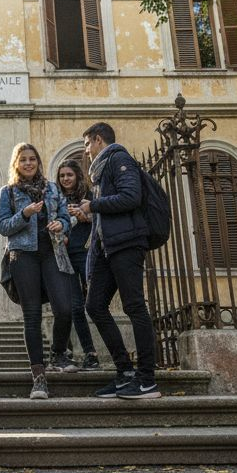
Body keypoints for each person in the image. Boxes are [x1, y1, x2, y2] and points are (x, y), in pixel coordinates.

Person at [78, 122, 161, 400]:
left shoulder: (118, 158)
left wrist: (94, 205)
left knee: (135, 306)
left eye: (87, 144)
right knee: (94, 305)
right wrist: (90, 213)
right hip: (108, 246)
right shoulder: (101, 170)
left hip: (127, 243)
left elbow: (130, 197)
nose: (86, 151)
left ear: (98, 140)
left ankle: (147, 380)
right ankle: (125, 372)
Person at [0, 143, 73, 400]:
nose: (28, 163)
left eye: (32, 159)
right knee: (32, 316)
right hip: (22, 255)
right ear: (16, 164)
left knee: (64, 308)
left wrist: (61, 224)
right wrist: (25, 214)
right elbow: (3, 226)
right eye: (23, 159)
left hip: (52, 252)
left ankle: (58, 353)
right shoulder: (8, 192)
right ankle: (39, 378)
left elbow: (66, 217)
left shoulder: (52, 188)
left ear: (38, 162)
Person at [57, 159, 101, 372]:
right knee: (74, 307)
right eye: (62, 176)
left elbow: (101, 221)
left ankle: (112, 352)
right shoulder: (56, 199)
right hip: (65, 257)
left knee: (95, 304)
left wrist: (84, 217)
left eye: (69, 175)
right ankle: (90, 354)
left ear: (77, 176)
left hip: (87, 254)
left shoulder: (89, 196)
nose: (65, 179)